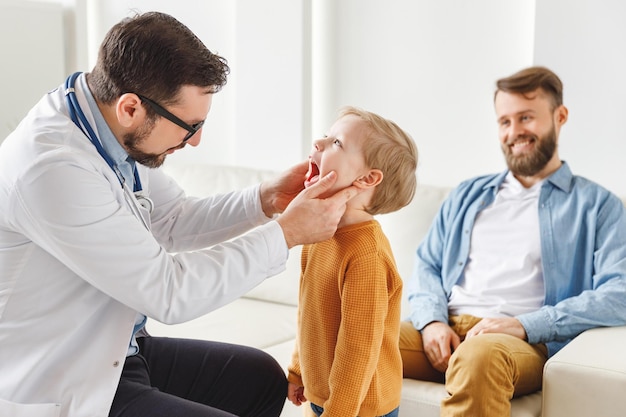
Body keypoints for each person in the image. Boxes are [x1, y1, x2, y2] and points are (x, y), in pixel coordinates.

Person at [0, 11, 361, 417]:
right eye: (189, 126)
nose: (195, 141)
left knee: (260, 377)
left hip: (116, 349)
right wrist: (285, 235)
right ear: (131, 108)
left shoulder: (102, 123)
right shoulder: (52, 170)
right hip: (60, 374)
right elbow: (168, 293)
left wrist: (268, 198)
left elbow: (172, 218)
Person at [400, 65, 626, 416]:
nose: (514, 131)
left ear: (560, 116)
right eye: (505, 121)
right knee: (349, 338)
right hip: (448, 328)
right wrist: (431, 321)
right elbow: (428, 264)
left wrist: (525, 324)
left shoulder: (598, 206)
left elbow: (619, 293)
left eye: (526, 118)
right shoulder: (467, 195)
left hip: (522, 341)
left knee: (479, 357)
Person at [286, 106, 418, 417]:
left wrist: (339, 412)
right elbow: (308, 312)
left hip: (361, 408)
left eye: (337, 143)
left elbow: (359, 349)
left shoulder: (366, 254)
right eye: (324, 137)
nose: (318, 144)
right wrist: (298, 369)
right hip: (324, 396)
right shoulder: (318, 233)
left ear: (367, 178)